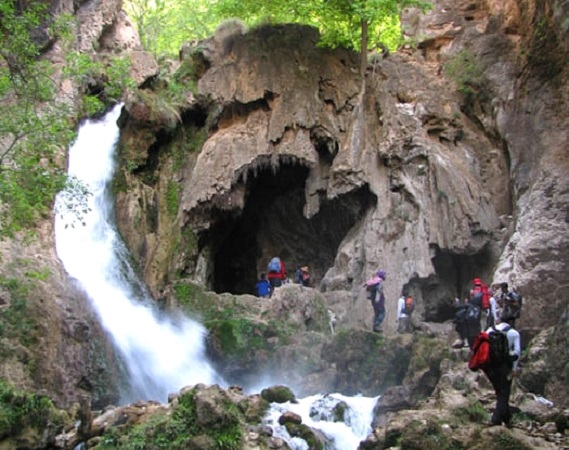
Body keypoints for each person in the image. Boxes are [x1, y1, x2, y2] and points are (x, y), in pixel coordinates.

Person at [482, 312, 521, 426]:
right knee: (504, 393)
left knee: (500, 392)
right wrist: (514, 369)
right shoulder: (514, 333)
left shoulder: (489, 330)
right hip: (504, 367)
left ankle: (507, 418)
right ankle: (495, 419)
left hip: (489, 367)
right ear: (511, 322)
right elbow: (517, 353)